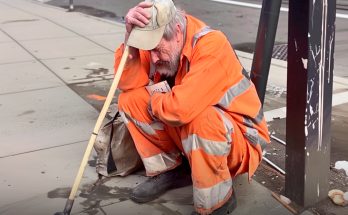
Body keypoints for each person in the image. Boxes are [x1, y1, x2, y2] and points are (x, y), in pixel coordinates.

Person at [114, 0, 270, 214]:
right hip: (195, 126)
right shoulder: (159, 38)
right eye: (147, 50)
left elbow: (180, 109)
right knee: (130, 100)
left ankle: (218, 201)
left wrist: (155, 98)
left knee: (200, 118)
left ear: (177, 32)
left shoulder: (211, 44)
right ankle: (171, 169)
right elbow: (126, 83)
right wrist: (130, 38)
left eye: (157, 50)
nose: (152, 58)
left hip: (241, 140)